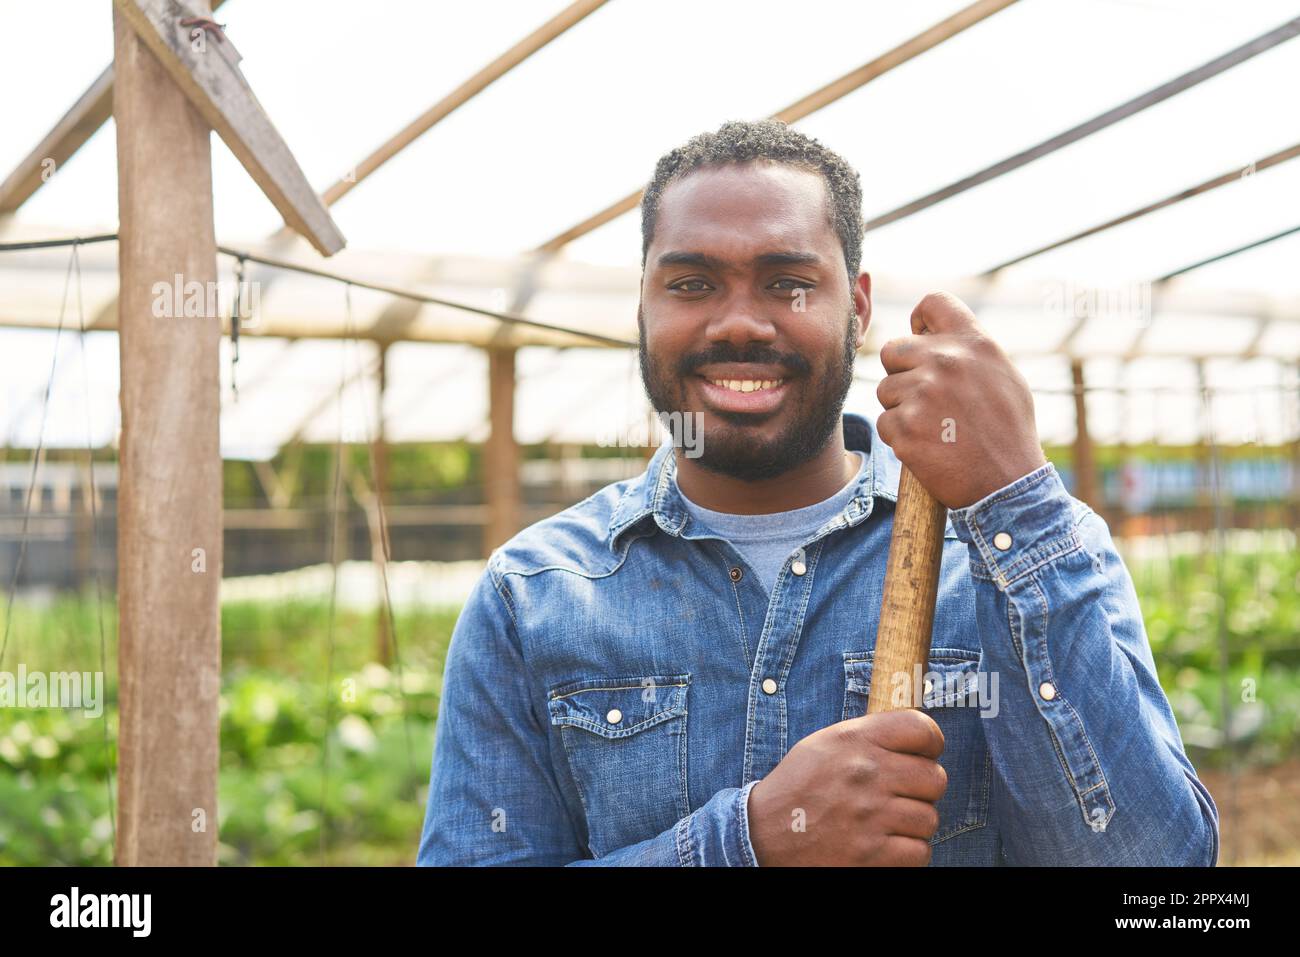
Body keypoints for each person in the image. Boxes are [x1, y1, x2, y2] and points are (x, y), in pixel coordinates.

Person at [416, 119, 1218, 866]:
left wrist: (1014, 494)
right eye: (691, 284)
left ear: (857, 309)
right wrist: (747, 841)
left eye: (787, 283)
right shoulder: (533, 597)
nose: (740, 324)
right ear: (643, 308)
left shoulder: (1013, 557)